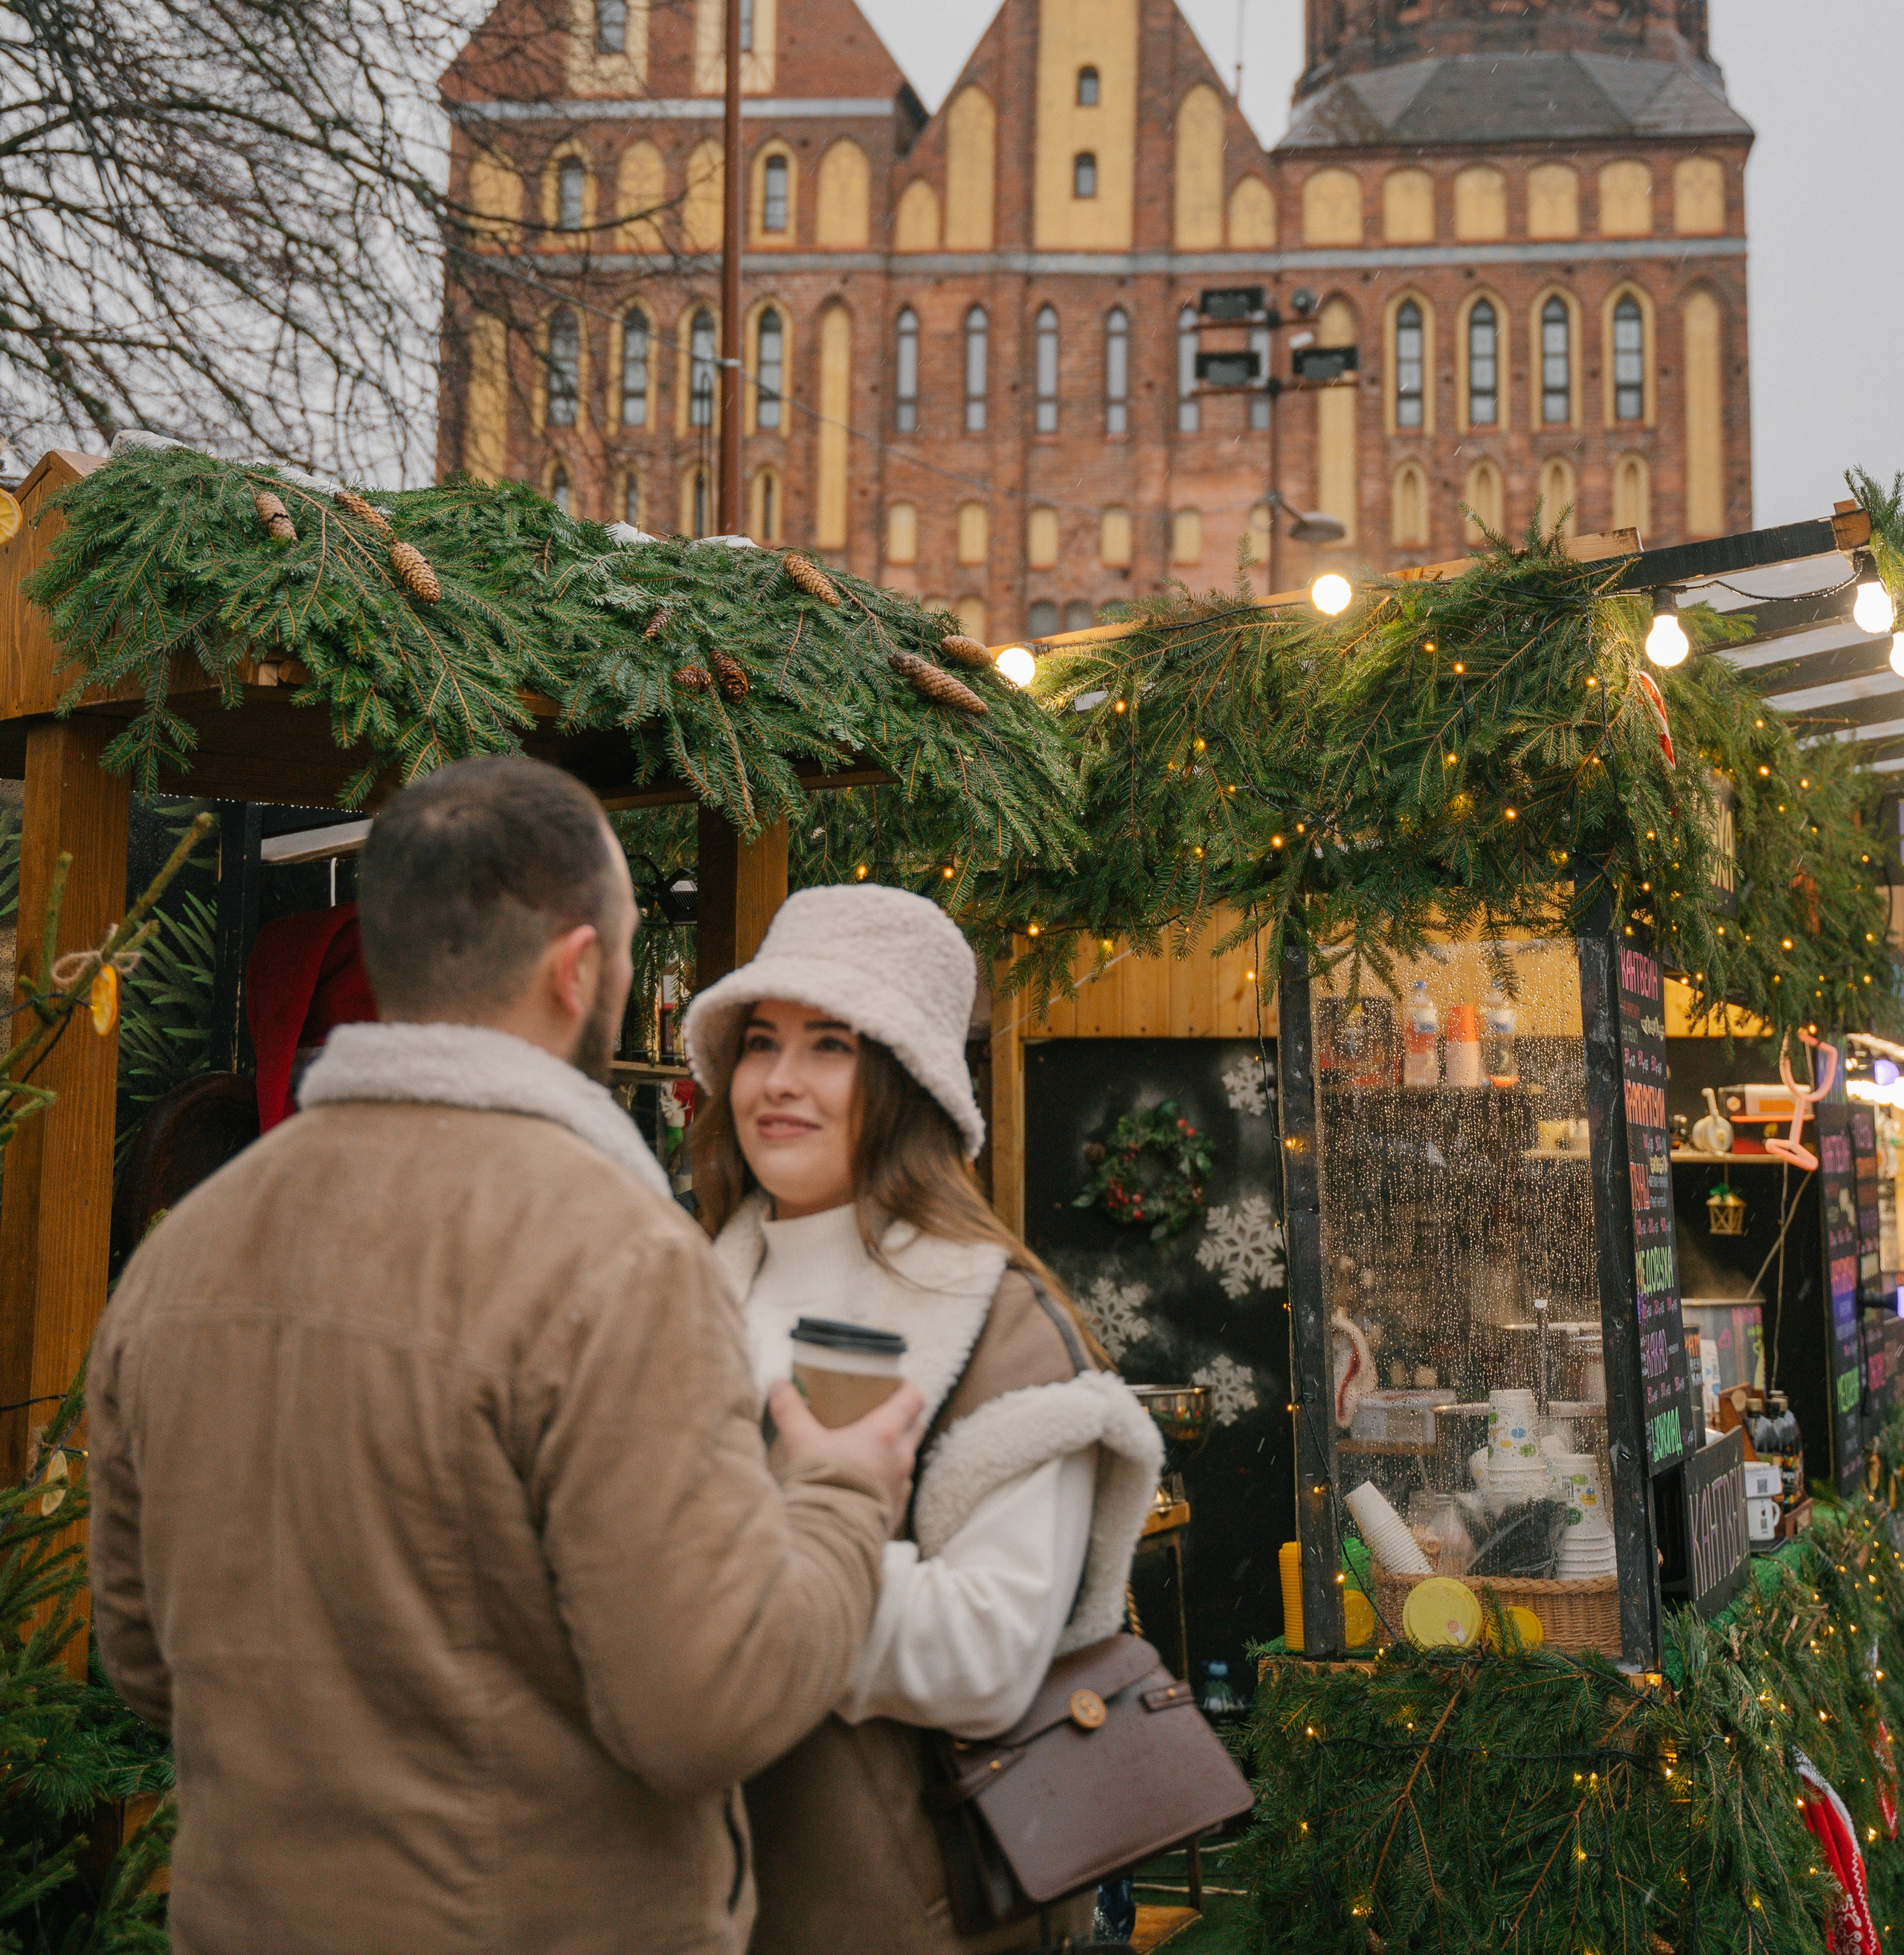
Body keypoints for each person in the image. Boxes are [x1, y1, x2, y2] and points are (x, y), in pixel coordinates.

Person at [88, 757, 924, 1955]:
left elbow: (142, 1660)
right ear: (578, 968)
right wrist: (843, 1493)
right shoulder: (618, 1257)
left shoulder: (184, 1252)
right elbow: (702, 1711)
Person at [683, 882, 1162, 1955]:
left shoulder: (1002, 1326)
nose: (780, 1080)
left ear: (907, 1080)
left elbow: (987, 1658)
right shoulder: (680, 1285)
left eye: (831, 1045)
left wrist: (726, 1580)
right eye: (760, 1043)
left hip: (878, 1914)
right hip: (668, 1901)